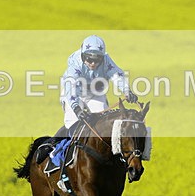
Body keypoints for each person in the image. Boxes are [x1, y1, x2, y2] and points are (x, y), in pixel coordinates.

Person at [35, 35, 137, 164]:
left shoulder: (106, 61)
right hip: (74, 94)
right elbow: (70, 88)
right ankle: (53, 145)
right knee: (74, 122)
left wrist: (127, 90)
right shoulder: (75, 63)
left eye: (97, 60)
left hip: (95, 93)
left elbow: (117, 76)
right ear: (83, 56)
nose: (93, 63)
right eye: (89, 59)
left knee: (101, 124)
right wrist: (77, 108)